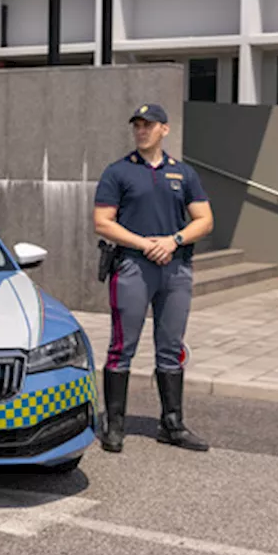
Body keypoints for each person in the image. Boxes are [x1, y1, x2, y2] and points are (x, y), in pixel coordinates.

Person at [93, 103, 214, 453]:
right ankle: (114, 424)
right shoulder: (118, 172)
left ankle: (172, 423)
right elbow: (103, 222)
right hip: (133, 266)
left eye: (149, 125)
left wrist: (173, 240)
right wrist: (146, 245)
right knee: (122, 347)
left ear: (165, 129)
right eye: (137, 126)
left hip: (175, 269)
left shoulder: (184, 174)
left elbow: (204, 220)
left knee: (171, 347)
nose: (142, 131)